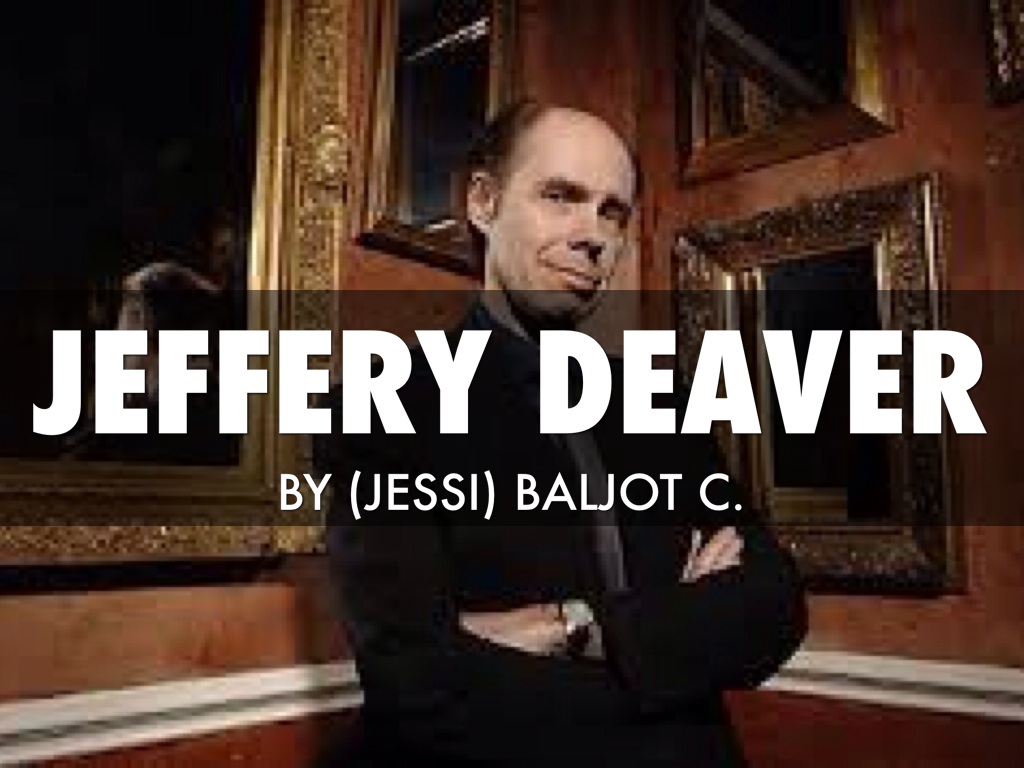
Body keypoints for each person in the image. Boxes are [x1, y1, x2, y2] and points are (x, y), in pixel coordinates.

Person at [319, 100, 807, 767]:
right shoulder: (383, 405)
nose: (593, 235)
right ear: (483, 202)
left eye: (613, 212)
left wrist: (572, 628)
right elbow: (417, 685)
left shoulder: (657, 398)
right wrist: (678, 634)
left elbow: (774, 604)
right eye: (561, 197)